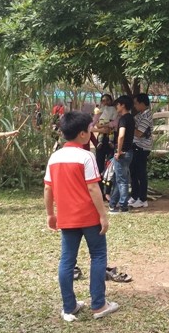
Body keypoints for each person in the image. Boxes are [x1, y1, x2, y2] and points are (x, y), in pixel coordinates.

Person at [44, 111, 118, 321]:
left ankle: (69, 306)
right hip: (89, 217)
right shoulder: (86, 156)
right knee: (98, 256)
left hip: (66, 217)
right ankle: (98, 304)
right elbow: (93, 189)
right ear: (83, 134)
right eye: (89, 129)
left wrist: (51, 214)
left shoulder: (55, 156)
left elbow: (48, 189)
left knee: (67, 260)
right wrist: (103, 216)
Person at [109, 95, 135, 213]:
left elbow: (121, 135)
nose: (116, 107)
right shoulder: (131, 118)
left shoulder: (123, 119)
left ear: (123, 105)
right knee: (118, 179)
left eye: (117, 105)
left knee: (121, 180)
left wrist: (119, 151)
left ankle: (123, 206)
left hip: (122, 152)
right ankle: (113, 204)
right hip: (129, 151)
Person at [129, 93, 153, 209]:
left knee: (141, 173)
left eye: (136, 103)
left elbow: (139, 133)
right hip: (136, 146)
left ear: (143, 103)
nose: (135, 106)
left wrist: (128, 127)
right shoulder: (140, 114)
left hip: (142, 148)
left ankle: (143, 199)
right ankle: (134, 196)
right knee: (133, 172)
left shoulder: (146, 116)